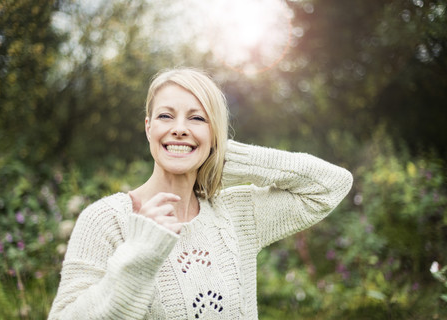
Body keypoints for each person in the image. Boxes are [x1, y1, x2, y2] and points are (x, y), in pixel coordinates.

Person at [48, 68, 353, 319]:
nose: (180, 128)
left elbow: (330, 185)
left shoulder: (236, 215)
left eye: (197, 119)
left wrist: (221, 155)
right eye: (166, 116)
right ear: (148, 127)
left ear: (215, 133)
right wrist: (137, 256)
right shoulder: (105, 221)